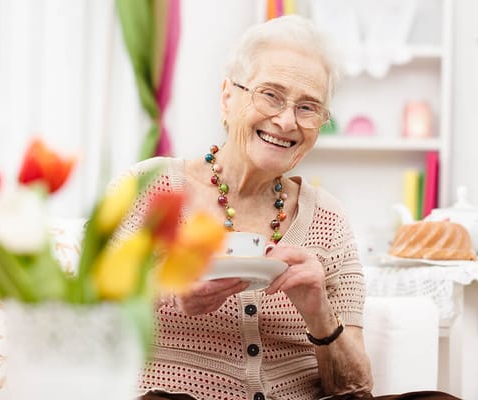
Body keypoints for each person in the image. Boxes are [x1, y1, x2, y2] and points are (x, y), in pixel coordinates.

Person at [112, 15, 459, 400]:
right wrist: (171, 290)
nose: (286, 120)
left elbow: (356, 389)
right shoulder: (150, 189)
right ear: (228, 96)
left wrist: (320, 313)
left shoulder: (327, 218)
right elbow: (88, 321)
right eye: (271, 95)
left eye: (308, 107)